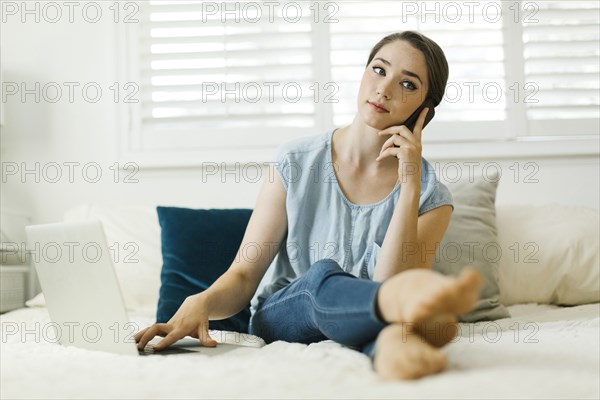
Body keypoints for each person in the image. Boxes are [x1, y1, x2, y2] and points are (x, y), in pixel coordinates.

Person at [134, 31, 483, 380]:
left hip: (368, 322)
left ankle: (394, 349)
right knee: (322, 277)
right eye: (379, 70)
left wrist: (409, 188)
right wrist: (204, 301)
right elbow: (244, 276)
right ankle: (400, 329)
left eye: (407, 84)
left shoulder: (431, 197)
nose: (385, 89)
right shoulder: (295, 162)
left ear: (424, 110)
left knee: (391, 323)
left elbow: (389, 282)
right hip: (288, 314)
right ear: (363, 73)